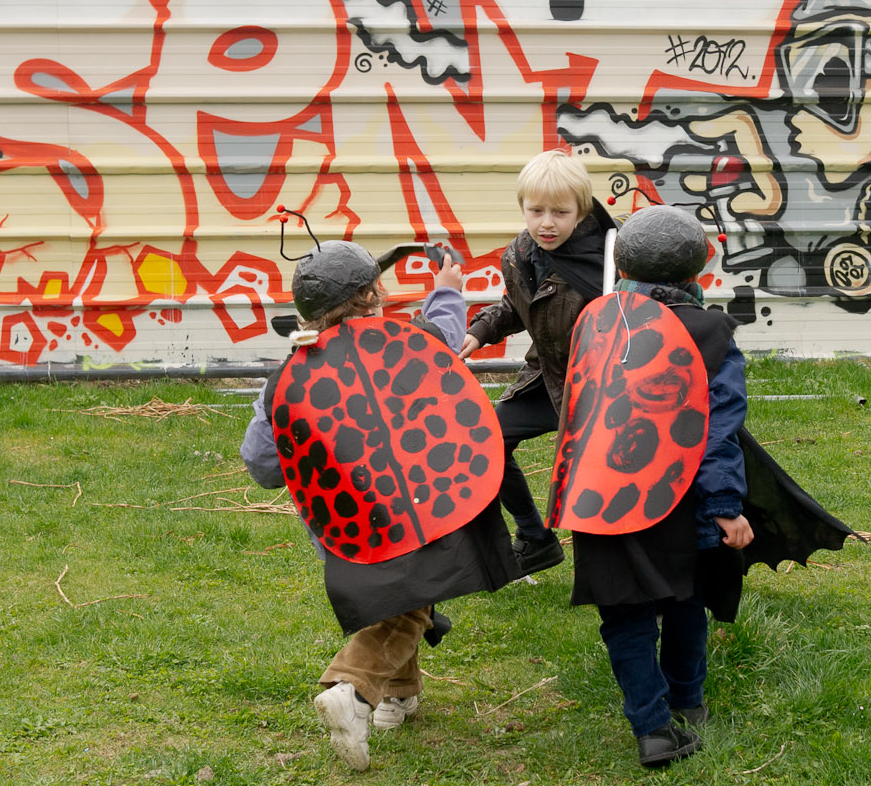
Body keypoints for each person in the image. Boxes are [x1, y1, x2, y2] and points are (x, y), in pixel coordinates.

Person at [239, 239, 517, 771]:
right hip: (423, 505)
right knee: (414, 596)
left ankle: (397, 698)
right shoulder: (411, 341)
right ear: (371, 296)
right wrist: (447, 292)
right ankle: (355, 688)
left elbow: (263, 466)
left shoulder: (289, 376)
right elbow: (447, 336)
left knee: (401, 594)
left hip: (350, 525)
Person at [564, 205, 756, 767]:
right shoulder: (712, 331)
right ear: (699, 269)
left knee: (624, 612)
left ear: (620, 263)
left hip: (601, 498)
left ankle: (651, 727)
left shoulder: (596, 321)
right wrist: (724, 504)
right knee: (684, 600)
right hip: (679, 503)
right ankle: (688, 704)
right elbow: (719, 426)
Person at [459, 149, 621, 576]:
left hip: (603, 390)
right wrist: (479, 331)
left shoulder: (609, 260)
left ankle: (613, 569)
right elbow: (519, 304)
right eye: (536, 211)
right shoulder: (522, 252)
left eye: (559, 212)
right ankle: (535, 537)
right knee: (488, 441)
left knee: (596, 479)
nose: (546, 222)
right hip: (548, 380)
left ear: (581, 210)